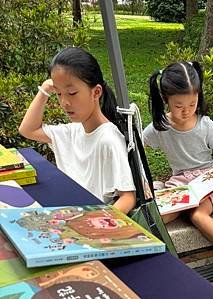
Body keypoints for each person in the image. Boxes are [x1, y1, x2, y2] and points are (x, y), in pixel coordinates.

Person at [144, 61, 213, 289]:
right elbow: (138, 147)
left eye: (193, 103)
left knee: (198, 217)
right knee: (157, 217)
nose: (187, 110)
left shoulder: (205, 125)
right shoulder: (159, 127)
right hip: (181, 183)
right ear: (166, 100)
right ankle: (156, 267)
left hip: (207, 182)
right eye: (179, 105)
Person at [19, 47, 136, 214]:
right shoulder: (71, 132)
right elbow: (27, 129)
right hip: (66, 216)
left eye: (72, 93)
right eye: (59, 93)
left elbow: (128, 197)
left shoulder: (108, 138)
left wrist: (97, 224)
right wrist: (44, 90)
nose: (64, 102)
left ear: (96, 92)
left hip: (91, 223)